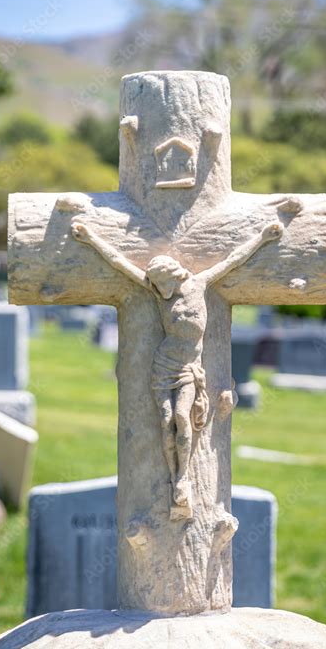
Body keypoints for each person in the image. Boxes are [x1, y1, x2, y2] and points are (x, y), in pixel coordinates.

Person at [72, 218, 284, 509]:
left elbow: (233, 260)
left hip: (187, 369)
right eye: (156, 285)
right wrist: (89, 237)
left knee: (183, 419)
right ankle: (174, 479)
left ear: (174, 276)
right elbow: (119, 262)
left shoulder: (199, 284)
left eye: (163, 283)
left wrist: (263, 236)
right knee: (165, 419)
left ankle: (183, 476)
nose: (160, 289)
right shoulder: (159, 295)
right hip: (163, 366)